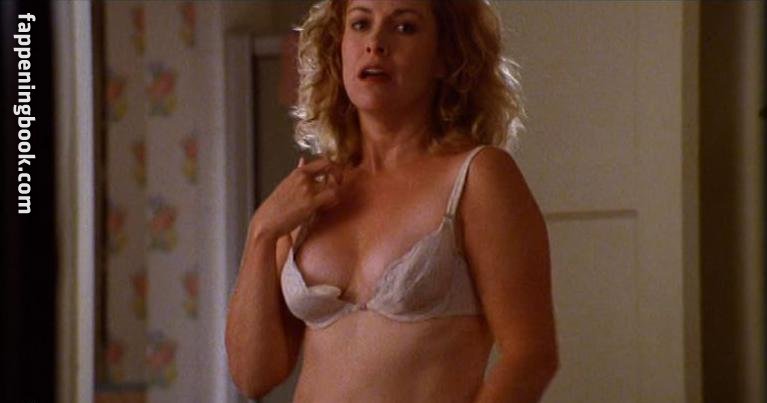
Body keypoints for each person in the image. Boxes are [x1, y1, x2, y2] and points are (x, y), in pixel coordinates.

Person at [225, 0, 558, 401]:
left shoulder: (477, 177)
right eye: (360, 23)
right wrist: (262, 232)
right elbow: (254, 376)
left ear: (445, 56)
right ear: (338, 47)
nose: (375, 43)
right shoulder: (311, 193)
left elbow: (531, 356)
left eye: (404, 28)